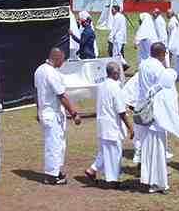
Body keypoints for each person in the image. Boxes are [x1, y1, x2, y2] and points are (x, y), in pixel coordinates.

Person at [33, 48, 82, 185]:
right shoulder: (51, 73)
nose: (63, 62)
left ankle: (56, 171)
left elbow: (36, 93)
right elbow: (62, 96)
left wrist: (38, 110)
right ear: (57, 58)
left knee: (57, 143)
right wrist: (74, 113)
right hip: (52, 113)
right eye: (62, 59)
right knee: (53, 144)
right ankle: (51, 176)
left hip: (45, 112)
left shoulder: (39, 70)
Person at [85, 60, 132, 187]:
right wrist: (130, 127)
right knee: (115, 153)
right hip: (112, 124)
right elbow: (121, 111)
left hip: (102, 123)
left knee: (105, 151)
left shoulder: (101, 85)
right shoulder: (115, 87)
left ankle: (92, 170)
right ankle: (112, 180)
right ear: (115, 74)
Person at [140, 69, 179, 194]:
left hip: (148, 128)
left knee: (150, 156)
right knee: (159, 157)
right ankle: (162, 184)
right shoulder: (167, 93)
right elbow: (172, 115)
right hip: (158, 130)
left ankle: (152, 182)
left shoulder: (153, 89)